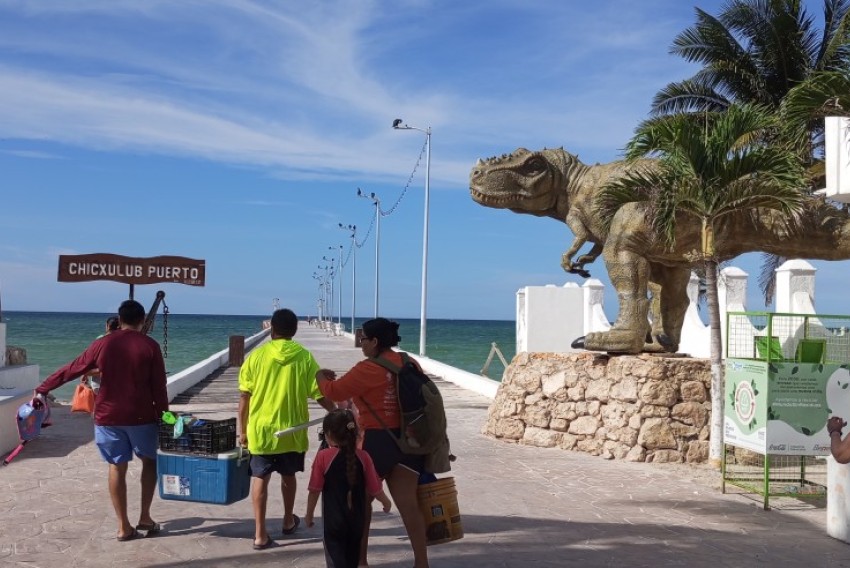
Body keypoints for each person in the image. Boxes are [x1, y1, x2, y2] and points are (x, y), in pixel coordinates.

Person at [34, 300, 168, 541]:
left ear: (119, 318)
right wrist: (164, 415)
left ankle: (123, 526)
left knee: (117, 466)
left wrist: (43, 387)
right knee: (149, 463)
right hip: (142, 416)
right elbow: (159, 386)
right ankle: (145, 517)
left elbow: (73, 368)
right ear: (143, 320)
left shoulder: (102, 344)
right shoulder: (150, 345)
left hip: (108, 416)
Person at [316, 317, 430, 568]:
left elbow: (334, 392)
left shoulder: (368, 368)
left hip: (377, 441)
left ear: (375, 341)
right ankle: (422, 563)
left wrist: (320, 377)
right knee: (409, 505)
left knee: (361, 503)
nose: (361, 342)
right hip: (409, 441)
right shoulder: (410, 363)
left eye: (364, 338)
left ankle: (362, 561)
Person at [238, 308, 336, 550]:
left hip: (261, 429)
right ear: (294, 330)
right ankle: (287, 520)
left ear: (271, 328)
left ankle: (260, 534)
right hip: (292, 430)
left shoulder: (256, 357)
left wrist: (242, 431)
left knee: (260, 476)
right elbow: (318, 392)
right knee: (288, 475)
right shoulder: (304, 357)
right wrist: (335, 412)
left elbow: (244, 398)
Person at [305, 409, 392, 568]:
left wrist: (309, 514)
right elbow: (375, 488)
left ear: (329, 434)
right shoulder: (364, 456)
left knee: (335, 561)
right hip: (357, 519)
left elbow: (314, 489)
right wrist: (386, 502)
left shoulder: (323, 457)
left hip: (334, 521)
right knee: (352, 560)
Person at [81, 316, 120, 393]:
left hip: (98, 384)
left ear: (107, 326)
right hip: (116, 385)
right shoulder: (123, 341)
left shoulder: (100, 339)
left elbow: (88, 357)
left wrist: (84, 374)